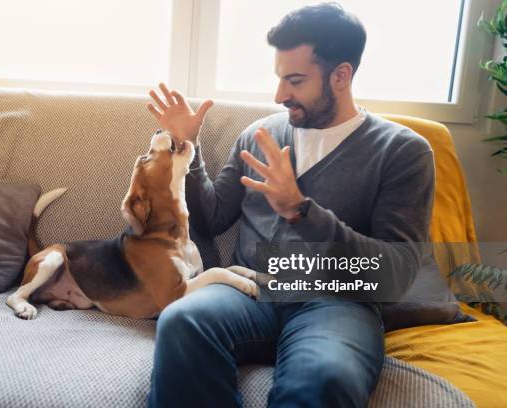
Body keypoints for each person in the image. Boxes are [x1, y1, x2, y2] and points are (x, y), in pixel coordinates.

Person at [145, 2, 435, 407]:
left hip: (336, 303)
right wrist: (186, 151)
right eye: (280, 78)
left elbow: (396, 274)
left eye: (295, 81)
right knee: (181, 319)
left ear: (341, 76)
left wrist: (302, 211)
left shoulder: (402, 152)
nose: (280, 95)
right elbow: (210, 219)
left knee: (325, 376)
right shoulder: (260, 134)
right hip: (250, 289)